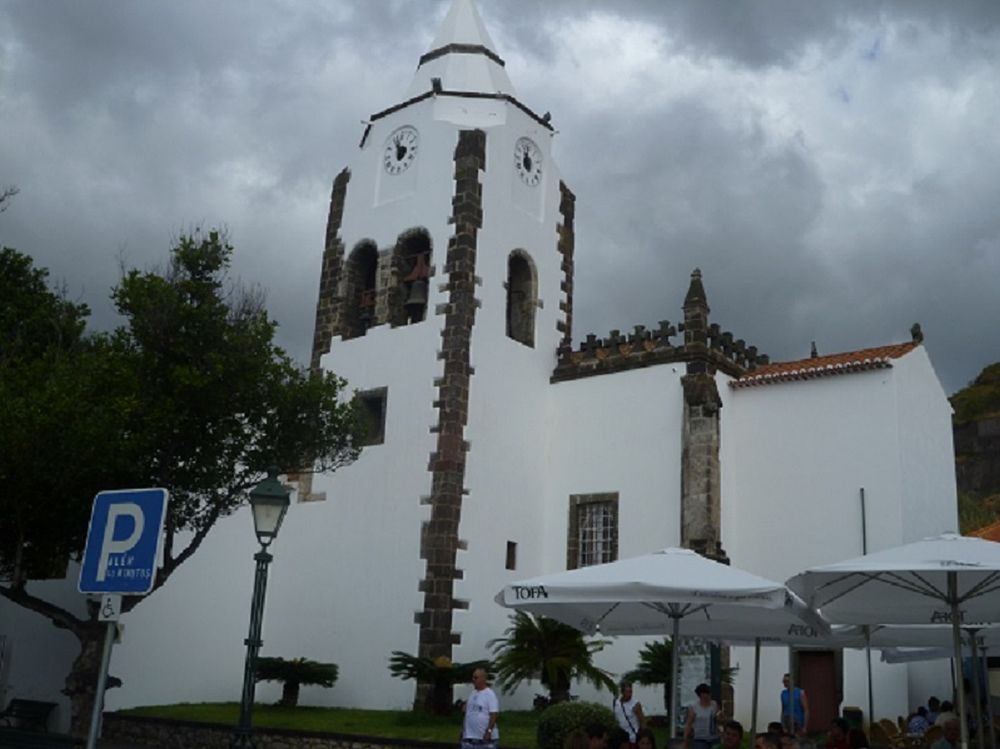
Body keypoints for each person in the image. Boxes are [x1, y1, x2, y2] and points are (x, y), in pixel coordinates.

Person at [461, 668, 499, 749]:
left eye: (475, 677)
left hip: (484, 740)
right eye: (473, 677)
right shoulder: (472, 693)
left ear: (483, 678)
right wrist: (463, 730)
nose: (473, 680)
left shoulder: (489, 694)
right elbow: (467, 714)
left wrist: (489, 731)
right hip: (470, 738)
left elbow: (494, 714)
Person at [684, 683, 724, 749]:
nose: (708, 696)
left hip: (714, 738)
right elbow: (688, 724)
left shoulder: (714, 705)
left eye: (708, 693)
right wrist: (685, 740)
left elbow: (719, 721)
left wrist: (720, 719)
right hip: (700, 739)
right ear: (700, 695)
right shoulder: (694, 707)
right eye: (705, 694)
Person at [613, 679, 646, 747]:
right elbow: (615, 717)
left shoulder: (635, 704)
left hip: (633, 739)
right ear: (622, 692)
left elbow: (642, 721)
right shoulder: (616, 702)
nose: (630, 693)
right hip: (620, 738)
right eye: (628, 691)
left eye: (631, 691)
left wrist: (643, 737)